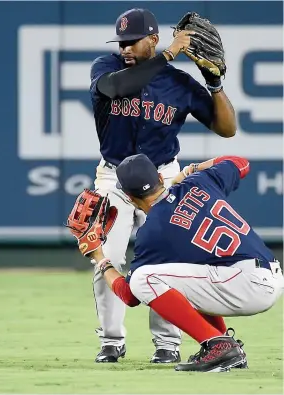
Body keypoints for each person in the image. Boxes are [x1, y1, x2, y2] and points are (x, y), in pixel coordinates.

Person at [88, 7, 237, 363]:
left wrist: (214, 85)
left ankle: (167, 345)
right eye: (121, 41)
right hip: (114, 176)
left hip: (165, 177)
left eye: (133, 41)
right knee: (107, 257)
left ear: (152, 40)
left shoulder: (179, 84)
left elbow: (227, 128)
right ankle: (111, 340)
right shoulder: (105, 69)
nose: (125, 48)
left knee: (170, 262)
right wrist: (168, 54)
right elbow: (118, 87)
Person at [83, 153, 283, 372]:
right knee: (185, 274)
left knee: (143, 279)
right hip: (266, 273)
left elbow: (130, 296)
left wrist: (99, 257)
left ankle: (219, 346)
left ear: (129, 197)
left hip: (246, 283)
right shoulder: (199, 182)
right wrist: (191, 170)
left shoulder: (154, 232)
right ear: (160, 177)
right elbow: (241, 163)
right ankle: (224, 344)